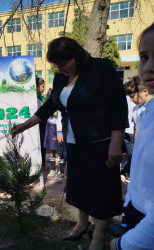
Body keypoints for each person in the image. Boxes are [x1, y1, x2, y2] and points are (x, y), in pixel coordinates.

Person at [12, 37, 128, 250]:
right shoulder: (59, 78)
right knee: (80, 187)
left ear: (76, 55)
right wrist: (24, 125)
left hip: (100, 143)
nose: (60, 68)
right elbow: (49, 107)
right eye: (56, 65)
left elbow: (118, 107)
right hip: (74, 144)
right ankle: (82, 224)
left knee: (101, 190)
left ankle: (99, 234)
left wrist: (115, 144)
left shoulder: (100, 68)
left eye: (63, 63)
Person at [110, 23, 154, 250]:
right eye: (144, 57)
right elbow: (139, 169)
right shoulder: (149, 111)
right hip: (136, 210)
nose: (149, 67)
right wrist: (128, 205)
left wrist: (123, 244)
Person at [125, 76, 153, 141]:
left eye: (132, 96)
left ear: (145, 92)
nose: (131, 100)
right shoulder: (135, 109)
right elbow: (136, 129)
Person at [36, 76, 47, 171]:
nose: (44, 88)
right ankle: (41, 164)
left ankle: (42, 163)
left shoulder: (40, 98)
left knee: (42, 143)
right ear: (36, 86)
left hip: (42, 124)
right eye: (42, 86)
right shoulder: (35, 99)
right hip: (38, 125)